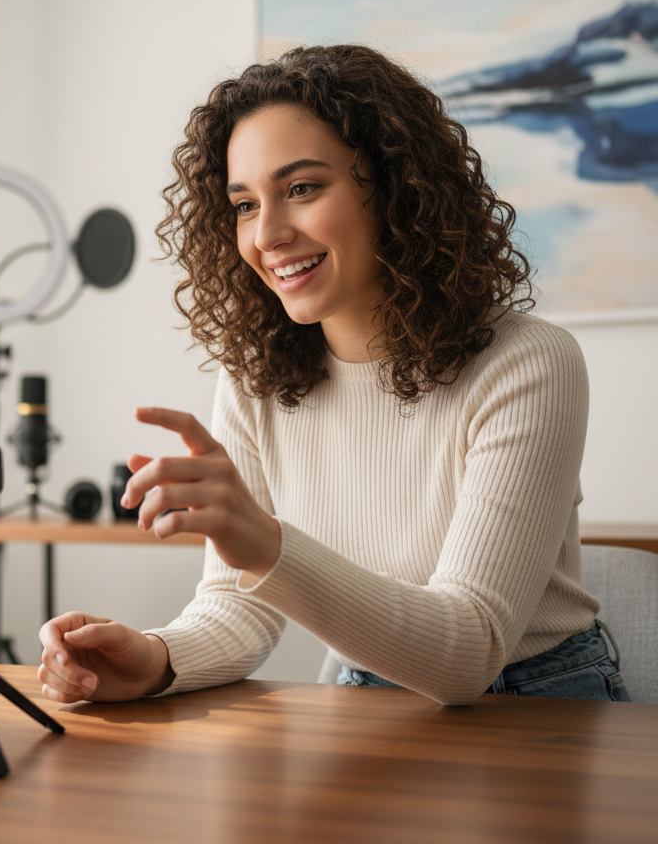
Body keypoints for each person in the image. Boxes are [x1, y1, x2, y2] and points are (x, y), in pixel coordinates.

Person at [37, 44, 630, 706]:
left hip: (540, 704)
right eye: (245, 204)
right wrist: (154, 659)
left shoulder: (527, 362)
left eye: (301, 189)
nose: (267, 235)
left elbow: (470, 649)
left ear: (398, 187)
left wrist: (268, 546)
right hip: (367, 698)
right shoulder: (256, 378)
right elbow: (238, 607)